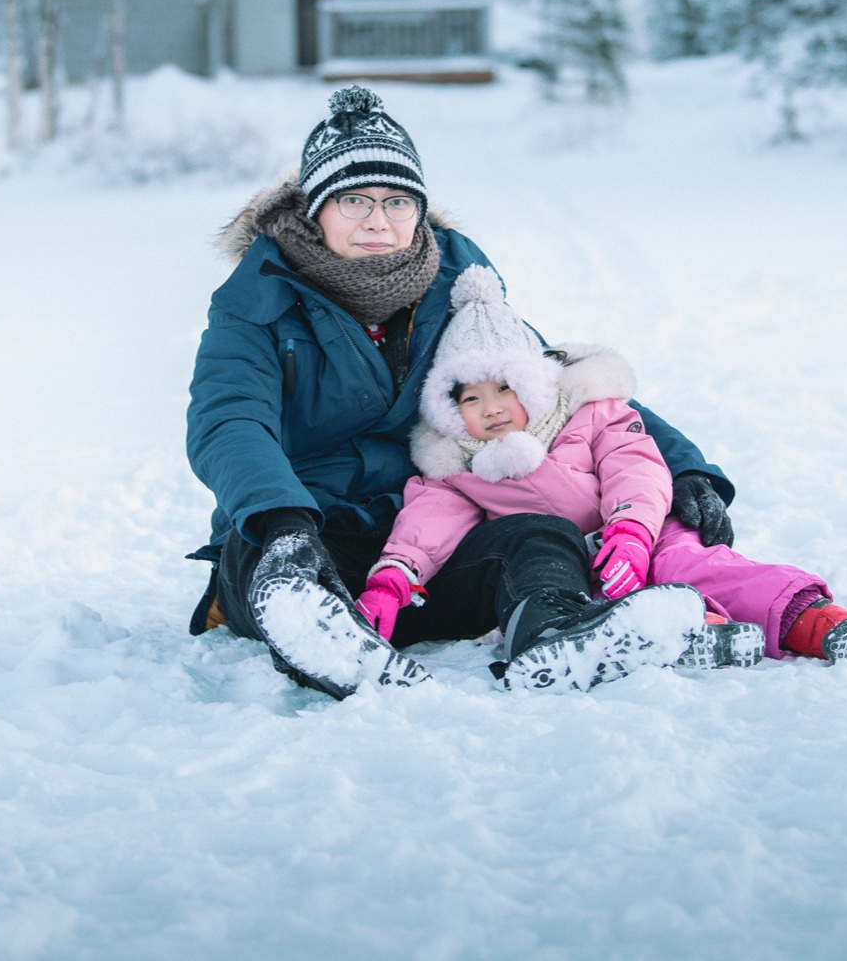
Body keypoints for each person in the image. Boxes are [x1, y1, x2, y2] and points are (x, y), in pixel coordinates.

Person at [185, 87, 732, 696]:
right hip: (316, 528)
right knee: (260, 555)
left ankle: (557, 633)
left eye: (397, 201)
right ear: (316, 211)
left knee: (539, 535)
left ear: (419, 210)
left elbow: (555, 386)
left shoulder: (459, 290)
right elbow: (230, 421)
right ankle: (321, 635)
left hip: (432, 541)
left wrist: (684, 468)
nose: (377, 220)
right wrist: (282, 521)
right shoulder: (257, 305)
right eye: (354, 200)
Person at [358, 266, 847, 668]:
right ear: (449, 410)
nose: (492, 407)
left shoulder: (590, 412)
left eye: (505, 387)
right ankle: (696, 633)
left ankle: (813, 620)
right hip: (574, 561)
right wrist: (391, 579)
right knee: (610, 606)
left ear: (535, 384)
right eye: (471, 399)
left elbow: (635, 467)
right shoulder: (456, 466)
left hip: (646, 529)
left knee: (690, 568)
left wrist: (633, 533)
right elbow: (427, 525)